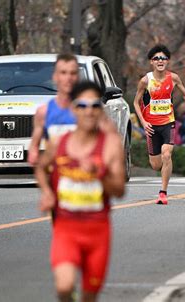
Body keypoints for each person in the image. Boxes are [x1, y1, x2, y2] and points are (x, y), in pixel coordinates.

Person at [34, 81, 125, 302]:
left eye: (95, 106)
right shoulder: (60, 143)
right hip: (66, 229)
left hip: (97, 231)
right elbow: (40, 166)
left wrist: (99, 173)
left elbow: (119, 190)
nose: (89, 111)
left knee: (89, 296)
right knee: (64, 287)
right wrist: (47, 192)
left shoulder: (110, 144)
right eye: (82, 106)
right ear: (73, 108)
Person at [133, 44, 185, 205]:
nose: (160, 61)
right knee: (156, 165)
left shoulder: (174, 78)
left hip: (168, 122)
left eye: (163, 58)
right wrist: (143, 122)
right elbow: (136, 103)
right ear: (151, 62)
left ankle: (163, 192)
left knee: (167, 153)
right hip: (151, 125)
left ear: (167, 61)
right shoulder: (145, 81)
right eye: (156, 58)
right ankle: (164, 165)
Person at [28, 54, 115, 166]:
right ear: (55, 76)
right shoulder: (44, 112)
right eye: (63, 73)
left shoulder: (91, 110)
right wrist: (35, 155)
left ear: (78, 77)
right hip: (58, 177)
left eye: (73, 73)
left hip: (86, 177)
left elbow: (111, 142)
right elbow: (34, 147)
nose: (68, 78)